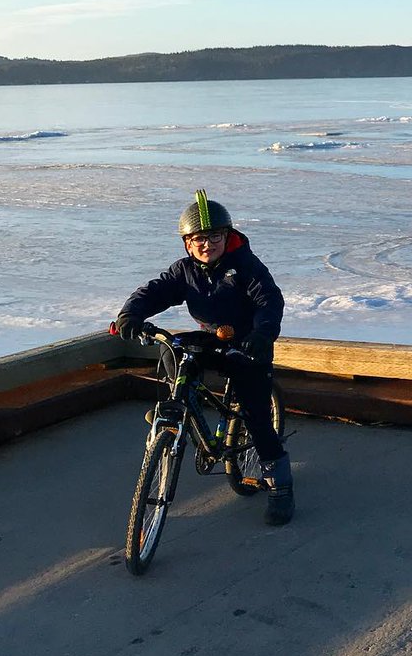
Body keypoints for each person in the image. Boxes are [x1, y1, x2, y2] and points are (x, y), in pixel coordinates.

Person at [113, 189, 294, 525]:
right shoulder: (184, 271)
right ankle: (179, 405)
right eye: (198, 238)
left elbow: (268, 302)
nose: (206, 244)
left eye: (213, 237)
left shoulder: (246, 267)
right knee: (174, 349)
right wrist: (130, 315)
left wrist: (261, 335)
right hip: (211, 341)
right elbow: (155, 290)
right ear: (187, 242)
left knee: (256, 417)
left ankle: (281, 486)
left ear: (227, 237)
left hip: (247, 346)